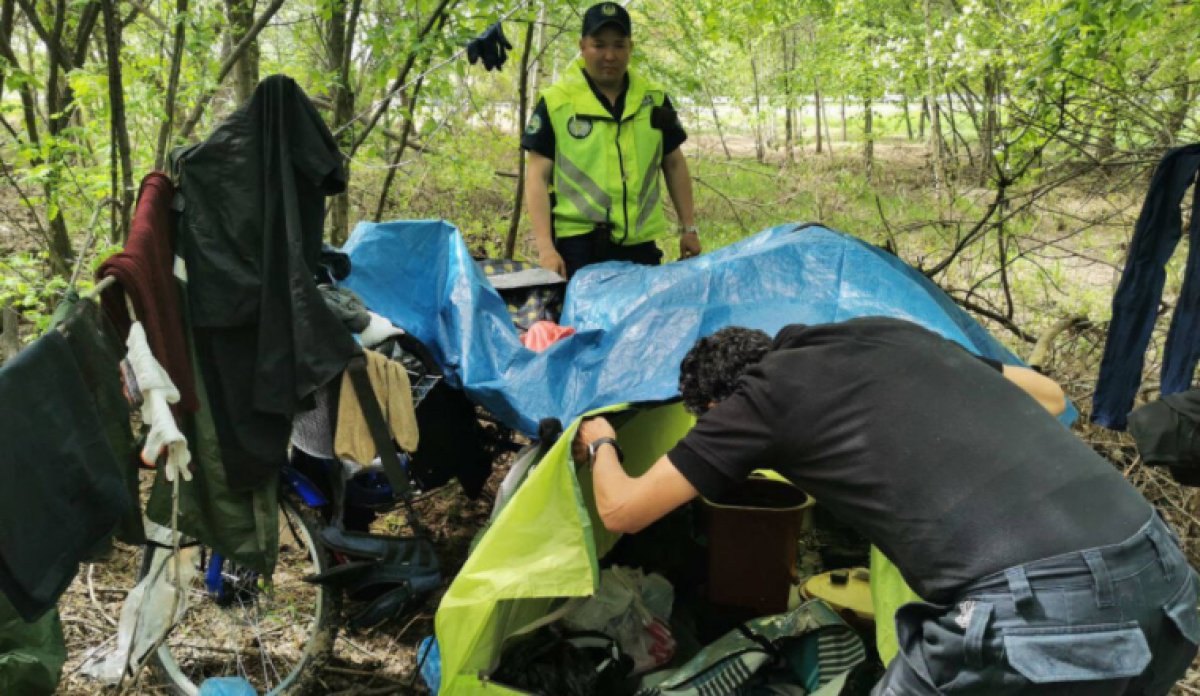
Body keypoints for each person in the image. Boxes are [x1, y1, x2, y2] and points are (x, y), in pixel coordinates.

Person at [572, 317, 1200, 695]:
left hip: (1038, 610)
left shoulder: (759, 397)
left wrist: (598, 436)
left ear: (715, 406)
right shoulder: (886, 333)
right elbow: (1050, 396)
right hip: (1165, 578)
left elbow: (623, 510)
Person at [521, 2, 701, 279]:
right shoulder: (557, 102)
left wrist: (688, 228)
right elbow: (536, 177)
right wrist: (546, 249)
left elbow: (674, 163)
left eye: (619, 45)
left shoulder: (653, 100)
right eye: (599, 45)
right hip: (578, 247)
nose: (609, 55)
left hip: (640, 246)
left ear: (631, 47)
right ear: (582, 46)